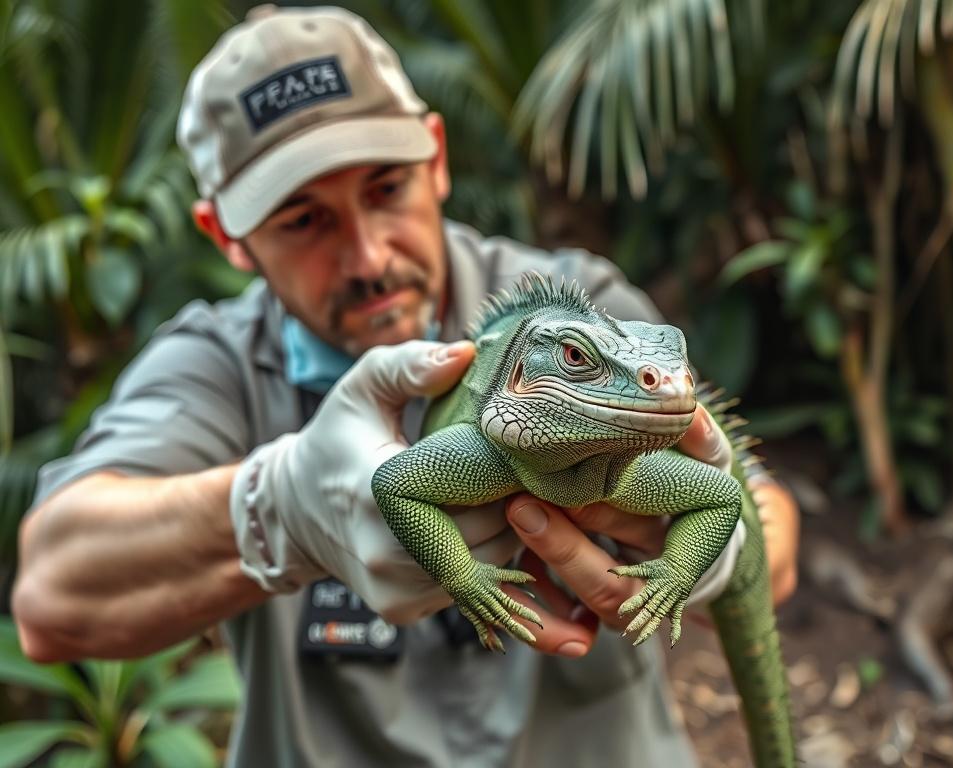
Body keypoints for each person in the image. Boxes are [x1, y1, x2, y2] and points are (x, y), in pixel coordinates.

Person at [13, 5, 799, 767]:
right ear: (228, 237)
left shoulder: (583, 312)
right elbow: (50, 600)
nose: (368, 257)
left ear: (437, 154)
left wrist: (701, 560)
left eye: (386, 188)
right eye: (302, 220)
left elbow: (766, 526)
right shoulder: (211, 368)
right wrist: (277, 508)